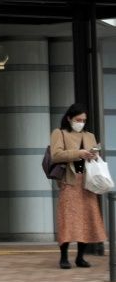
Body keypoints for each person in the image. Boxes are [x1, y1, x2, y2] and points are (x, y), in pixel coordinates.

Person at [49, 103, 108, 269]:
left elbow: (95, 155)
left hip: (87, 181)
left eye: (83, 120)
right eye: (78, 119)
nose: (81, 122)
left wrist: (93, 153)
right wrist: (78, 153)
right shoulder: (59, 133)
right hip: (70, 180)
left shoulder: (89, 135)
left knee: (86, 218)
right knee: (67, 219)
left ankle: (80, 257)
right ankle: (64, 257)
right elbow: (56, 155)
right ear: (69, 118)